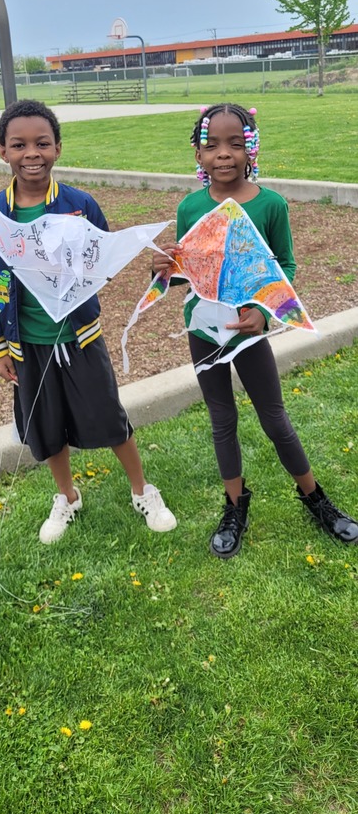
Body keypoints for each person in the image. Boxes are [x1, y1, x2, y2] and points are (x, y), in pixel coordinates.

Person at [153, 102, 358, 558]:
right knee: (221, 420)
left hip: (249, 331)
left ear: (251, 149)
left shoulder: (270, 205)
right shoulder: (190, 206)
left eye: (235, 143)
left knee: (274, 419)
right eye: (212, 145)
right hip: (205, 330)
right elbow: (191, 270)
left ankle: (314, 498)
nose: (223, 154)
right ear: (198, 155)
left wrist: (264, 314)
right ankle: (235, 506)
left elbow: (284, 264)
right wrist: (167, 269)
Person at [0, 99, 176, 542]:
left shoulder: (79, 205)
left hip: (81, 337)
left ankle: (142, 490)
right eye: (19, 144)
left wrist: (148, 258)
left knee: (109, 415)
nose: (32, 153)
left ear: (58, 148)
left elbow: (103, 254)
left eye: (42, 143)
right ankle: (67, 496)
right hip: (26, 343)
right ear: (2, 151)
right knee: (47, 427)